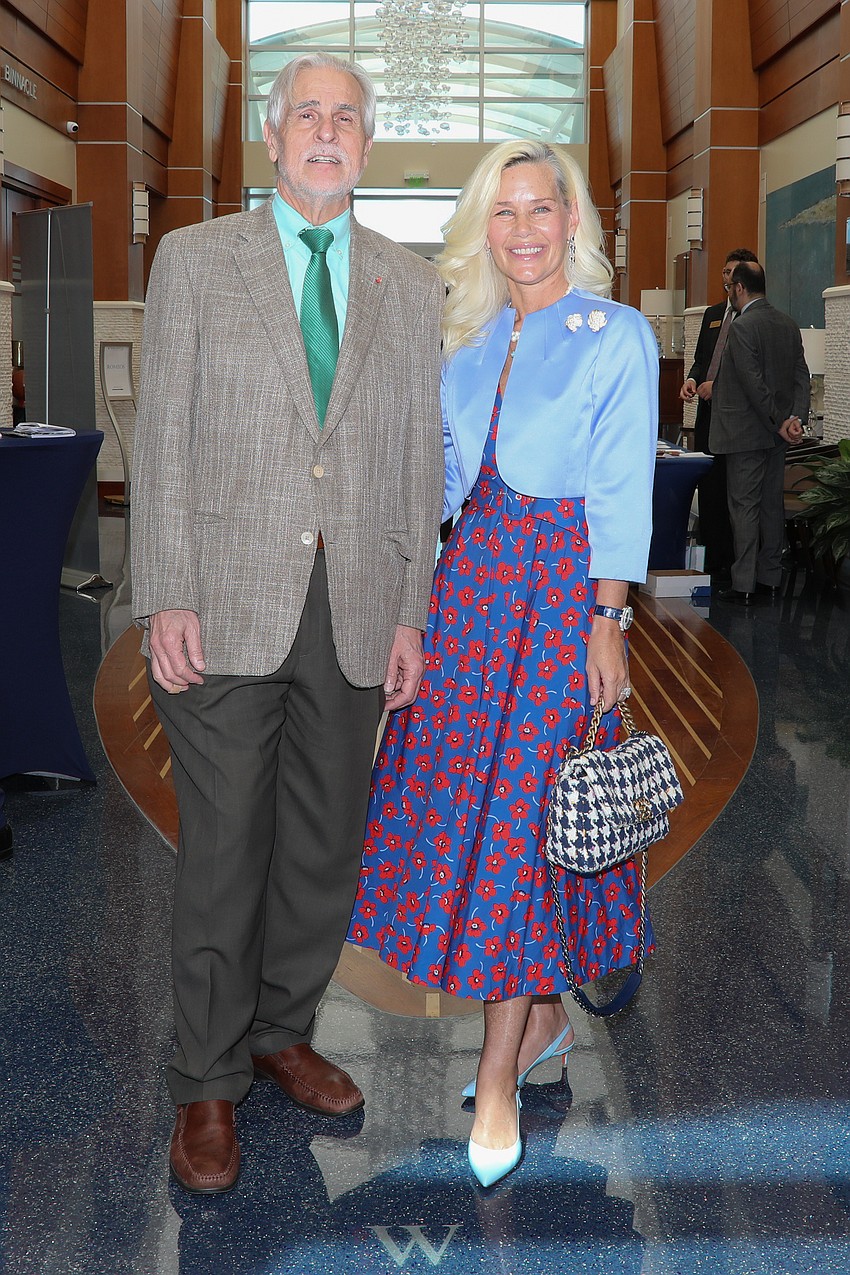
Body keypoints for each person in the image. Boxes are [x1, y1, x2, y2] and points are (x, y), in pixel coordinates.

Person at [130, 53, 444, 1194]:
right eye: (305, 115)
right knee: (223, 848)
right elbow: (160, 433)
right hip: (223, 600)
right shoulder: (196, 261)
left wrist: (413, 613)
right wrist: (166, 586)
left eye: (345, 119)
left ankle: (278, 1029)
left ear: (368, 144)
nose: (325, 133)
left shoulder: (409, 288)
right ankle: (205, 1082)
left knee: (322, 845)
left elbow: (418, 470)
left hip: (356, 608)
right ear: (271, 139)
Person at [347, 140, 658, 1186]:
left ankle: (493, 1076)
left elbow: (620, 479)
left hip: (557, 598)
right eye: (504, 213)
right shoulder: (467, 342)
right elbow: (434, 485)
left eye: (542, 208)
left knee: (527, 828)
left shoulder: (614, 335)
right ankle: (541, 1027)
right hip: (471, 602)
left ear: (574, 221)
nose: (523, 229)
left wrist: (606, 614)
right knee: (481, 828)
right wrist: (404, 606)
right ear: (484, 228)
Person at [710, 261, 809, 605]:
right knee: (771, 507)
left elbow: (753, 384)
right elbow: (801, 376)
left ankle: (744, 584)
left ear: (739, 288)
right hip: (777, 436)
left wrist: (778, 419)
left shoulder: (742, 327)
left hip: (746, 434)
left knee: (744, 508)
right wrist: (793, 418)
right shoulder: (788, 324)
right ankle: (769, 578)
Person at [680, 248, 759, 579]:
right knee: (710, 490)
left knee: (733, 492)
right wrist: (692, 378)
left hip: (735, 421)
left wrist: (719, 385)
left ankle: (732, 564)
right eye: (724, 272)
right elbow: (702, 357)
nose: (727, 278)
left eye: (733, 273)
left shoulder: (752, 318)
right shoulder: (714, 313)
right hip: (707, 416)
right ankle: (711, 561)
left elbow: (750, 372)